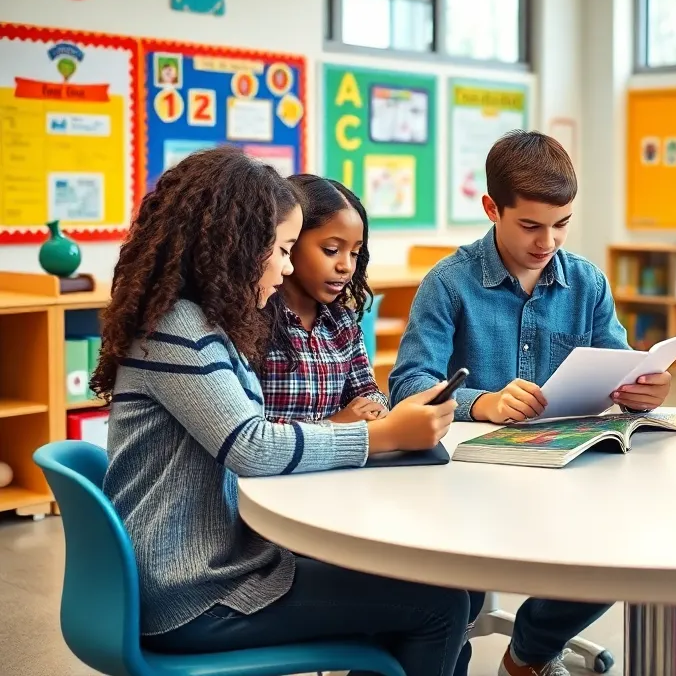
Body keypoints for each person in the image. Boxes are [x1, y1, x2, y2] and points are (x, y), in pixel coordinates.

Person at [95, 147, 470, 676]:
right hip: (193, 592)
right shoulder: (177, 329)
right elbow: (251, 445)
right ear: (240, 245)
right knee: (442, 606)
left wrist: (379, 426)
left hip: (219, 565)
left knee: (443, 602)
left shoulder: (203, 322)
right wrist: (382, 436)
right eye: (284, 248)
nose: (289, 266)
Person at [390, 130, 669, 676]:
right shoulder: (448, 284)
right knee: (454, 603)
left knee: (622, 553)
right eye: (531, 226)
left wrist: (643, 391)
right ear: (493, 208)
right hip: (468, 479)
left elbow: (618, 368)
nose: (548, 242)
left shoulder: (586, 282)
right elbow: (407, 386)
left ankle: (529, 653)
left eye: (562, 224)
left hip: (567, 472)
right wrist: (483, 402)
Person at [260, 174, 386, 425]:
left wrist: (375, 407)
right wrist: (335, 424)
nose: (346, 266)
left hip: (344, 462)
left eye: (355, 254)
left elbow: (367, 389)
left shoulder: (342, 322)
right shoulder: (254, 320)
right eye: (331, 250)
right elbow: (253, 434)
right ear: (289, 242)